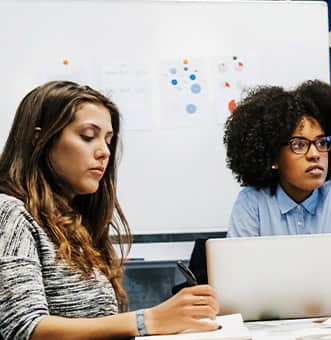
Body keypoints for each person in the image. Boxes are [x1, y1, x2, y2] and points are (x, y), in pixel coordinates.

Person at [0, 81, 219, 340]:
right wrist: (148, 319)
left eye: (108, 140)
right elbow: (23, 328)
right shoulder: (10, 213)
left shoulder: (74, 223)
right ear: (39, 139)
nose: (104, 152)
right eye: (87, 136)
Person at [223, 80, 331, 307]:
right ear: (273, 157)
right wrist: (319, 296)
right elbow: (238, 291)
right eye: (299, 145)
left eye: (321, 142)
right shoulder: (251, 202)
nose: (315, 154)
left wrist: (275, 296)